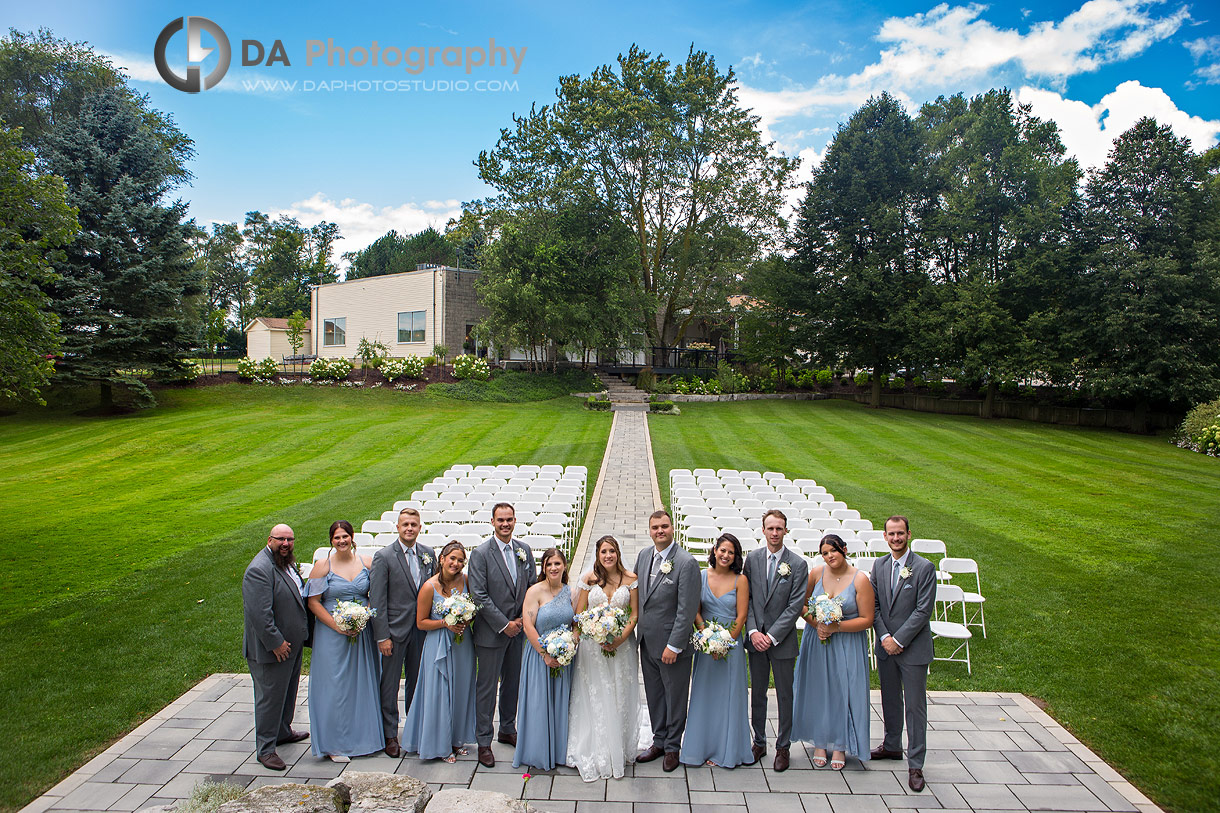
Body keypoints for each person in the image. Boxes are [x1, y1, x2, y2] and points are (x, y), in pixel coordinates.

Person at [792, 534, 875, 770]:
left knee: (843, 690)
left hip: (847, 642)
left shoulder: (860, 580)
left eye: (833, 551)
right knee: (820, 689)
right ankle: (820, 740)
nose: (830, 556)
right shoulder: (817, 573)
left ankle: (840, 744)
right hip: (816, 641)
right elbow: (801, 603)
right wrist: (817, 624)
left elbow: (868, 619)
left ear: (844, 549)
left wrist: (836, 627)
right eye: (825, 553)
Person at [305, 520, 384, 761]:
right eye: (337, 537)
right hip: (331, 633)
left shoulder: (367, 563)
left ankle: (365, 738)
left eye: (345, 536)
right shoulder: (322, 566)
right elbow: (313, 602)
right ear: (331, 540)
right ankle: (334, 745)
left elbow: (375, 595)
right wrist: (337, 625)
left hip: (362, 632)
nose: (341, 541)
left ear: (352, 538)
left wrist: (363, 616)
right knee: (335, 686)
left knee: (361, 683)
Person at [870, 515, 937, 792]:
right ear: (885, 537)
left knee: (914, 706)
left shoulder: (924, 567)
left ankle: (916, 764)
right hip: (886, 647)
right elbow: (873, 606)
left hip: (913, 649)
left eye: (900, 533)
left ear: (909, 534)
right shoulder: (880, 565)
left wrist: (899, 639)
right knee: (890, 701)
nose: (896, 538)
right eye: (891, 534)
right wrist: (885, 637)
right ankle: (893, 745)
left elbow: (923, 610)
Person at [567, 535, 641, 781]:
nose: (608, 556)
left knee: (619, 692)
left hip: (623, 646)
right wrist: (582, 639)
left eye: (612, 551)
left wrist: (620, 639)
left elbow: (633, 616)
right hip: (593, 647)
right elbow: (580, 616)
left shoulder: (630, 579)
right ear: (597, 555)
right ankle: (598, 746)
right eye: (603, 552)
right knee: (597, 693)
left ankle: (618, 745)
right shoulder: (589, 579)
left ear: (618, 553)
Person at [634, 509, 701, 773]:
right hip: (647, 641)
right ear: (649, 530)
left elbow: (687, 608)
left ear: (672, 528)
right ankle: (659, 740)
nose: (659, 531)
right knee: (654, 695)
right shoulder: (643, 556)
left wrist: (675, 645)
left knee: (675, 696)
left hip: (672, 646)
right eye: (655, 527)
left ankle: (673, 746)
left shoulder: (686, 563)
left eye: (664, 526)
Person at [468, 503, 535, 767]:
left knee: (513, 683)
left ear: (515, 521)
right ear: (492, 522)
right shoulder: (481, 554)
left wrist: (520, 620)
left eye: (509, 519)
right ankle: (484, 741)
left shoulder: (524, 550)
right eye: (500, 520)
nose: (505, 524)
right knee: (486, 688)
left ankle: (508, 728)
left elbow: (531, 587)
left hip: (518, 631)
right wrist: (503, 623)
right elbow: (478, 594)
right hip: (491, 633)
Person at [679, 533, 753, 768]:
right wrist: (707, 637)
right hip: (705, 644)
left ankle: (726, 750)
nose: (726, 555)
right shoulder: (702, 576)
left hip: (731, 646)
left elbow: (741, 616)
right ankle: (701, 748)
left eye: (731, 552)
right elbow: (695, 609)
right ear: (714, 550)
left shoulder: (740, 580)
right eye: (723, 550)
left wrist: (724, 643)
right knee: (705, 694)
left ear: (735, 556)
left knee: (729, 697)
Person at [743, 510, 809, 771]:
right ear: (763, 530)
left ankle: (783, 747)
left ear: (785, 531)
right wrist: (753, 632)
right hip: (756, 640)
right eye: (770, 528)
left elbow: (795, 606)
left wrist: (771, 636)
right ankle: (759, 742)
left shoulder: (798, 564)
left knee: (785, 694)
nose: (774, 533)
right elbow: (746, 599)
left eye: (779, 528)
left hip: (782, 642)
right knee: (757, 694)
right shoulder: (753, 559)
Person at [241, 524, 310, 770]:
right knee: (269, 698)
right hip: (272, 650)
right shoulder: (259, 570)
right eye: (280, 539)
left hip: (291, 646)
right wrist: (277, 643)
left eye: (290, 539)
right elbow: (259, 615)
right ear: (269, 539)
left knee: (288, 692)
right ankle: (266, 749)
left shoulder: (286, 563)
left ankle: (283, 731)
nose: (285, 544)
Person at [401, 541, 477, 762]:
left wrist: (465, 617)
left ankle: (456, 739)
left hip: (463, 643)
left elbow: (472, 610)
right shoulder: (429, 587)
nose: (456, 563)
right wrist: (446, 623)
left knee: (461, 690)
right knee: (439, 692)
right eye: (452, 558)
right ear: (441, 559)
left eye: (460, 560)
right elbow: (421, 622)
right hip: (438, 645)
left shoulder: (466, 581)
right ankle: (439, 745)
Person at [370, 507, 436, 758]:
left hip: (421, 630)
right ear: (397, 527)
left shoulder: (428, 554)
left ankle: (415, 729)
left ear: (420, 527)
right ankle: (389, 734)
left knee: (418, 682)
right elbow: (377, 600)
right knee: (389, 685)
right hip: (394, 633)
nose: (410, 528)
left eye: (414, 524)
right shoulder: (384, 556)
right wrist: (382, 636)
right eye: (405, 524)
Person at [514, 547, 578, 771]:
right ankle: (539, 750)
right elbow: (528, 625)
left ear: (564, 566)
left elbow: (575, 624)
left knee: (561, 702)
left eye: (557, 563)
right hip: (539, 656)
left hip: (563, 658)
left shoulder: (570, 592)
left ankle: (559, 751)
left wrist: (569, 646)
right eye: (549, 564)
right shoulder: (534, 591)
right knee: (539, 702)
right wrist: (545, 654)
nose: (553, 568)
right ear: (544, 567)